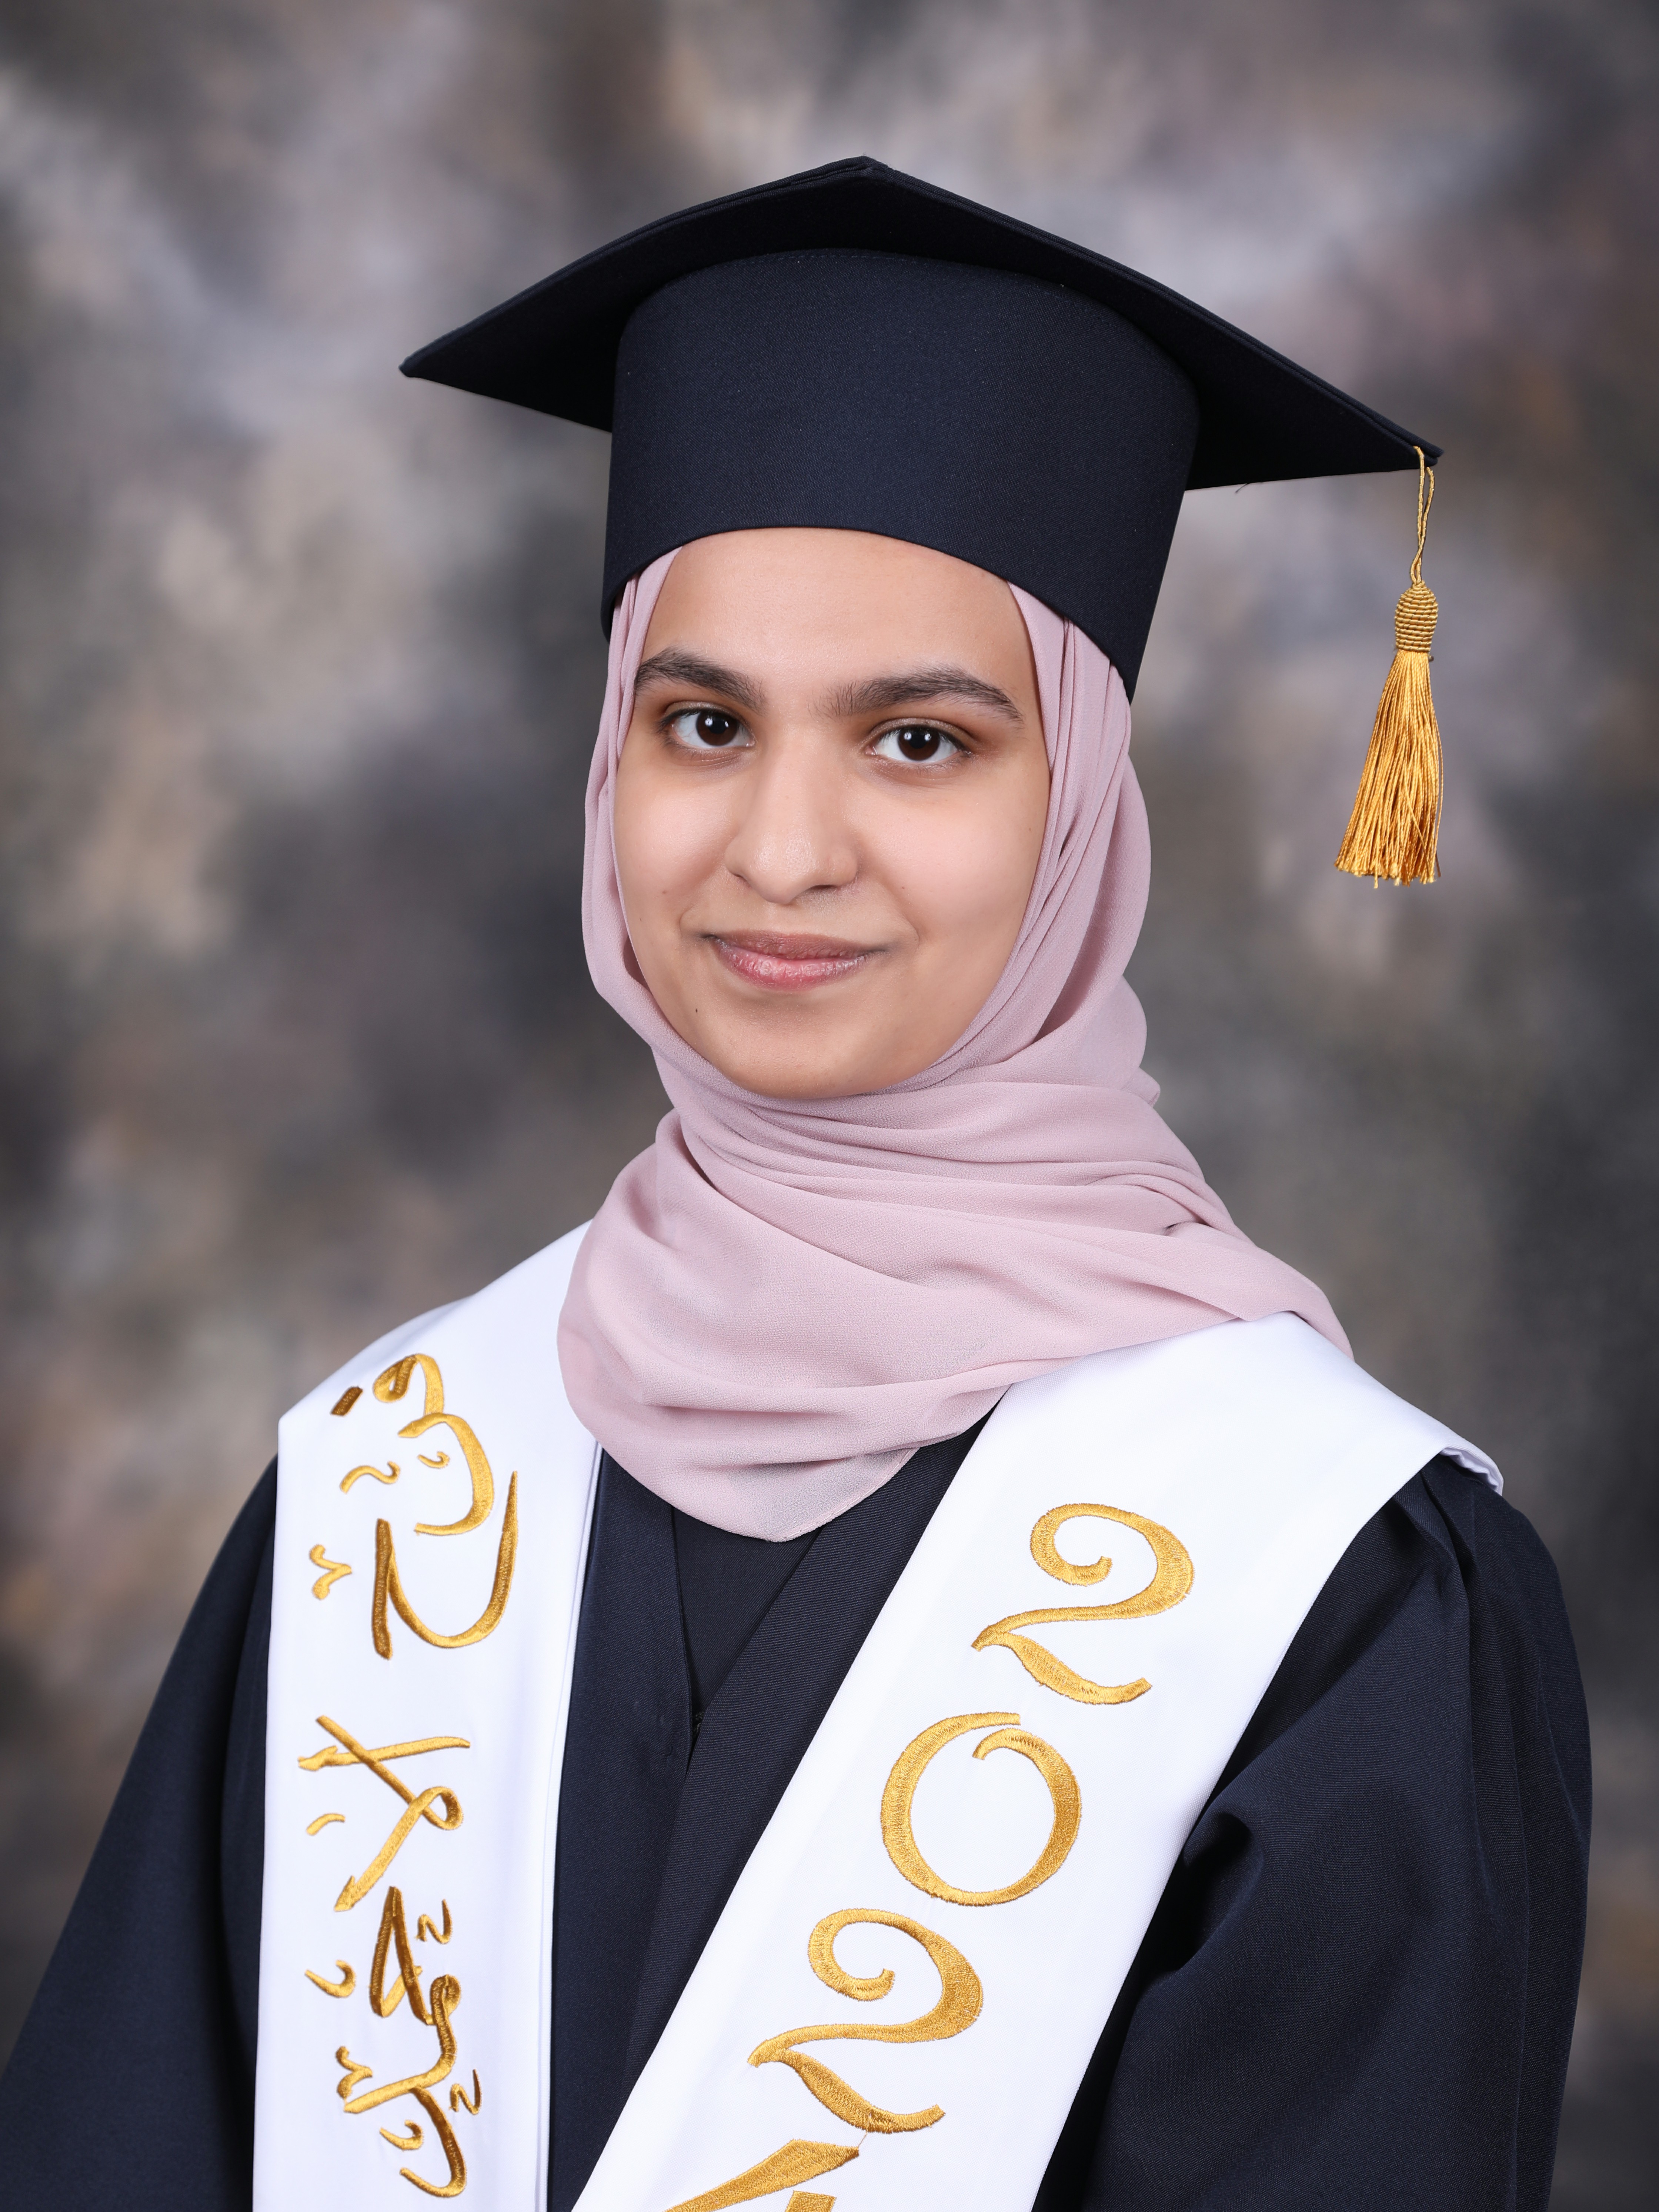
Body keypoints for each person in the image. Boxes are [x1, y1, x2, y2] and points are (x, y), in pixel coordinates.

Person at [0, 158, 1588, 2212]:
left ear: (1081, 808)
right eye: (703, 722)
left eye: (919, 742)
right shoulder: (385, 1485)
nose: (778, 851)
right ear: (612, 758)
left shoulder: (1333, 1590)